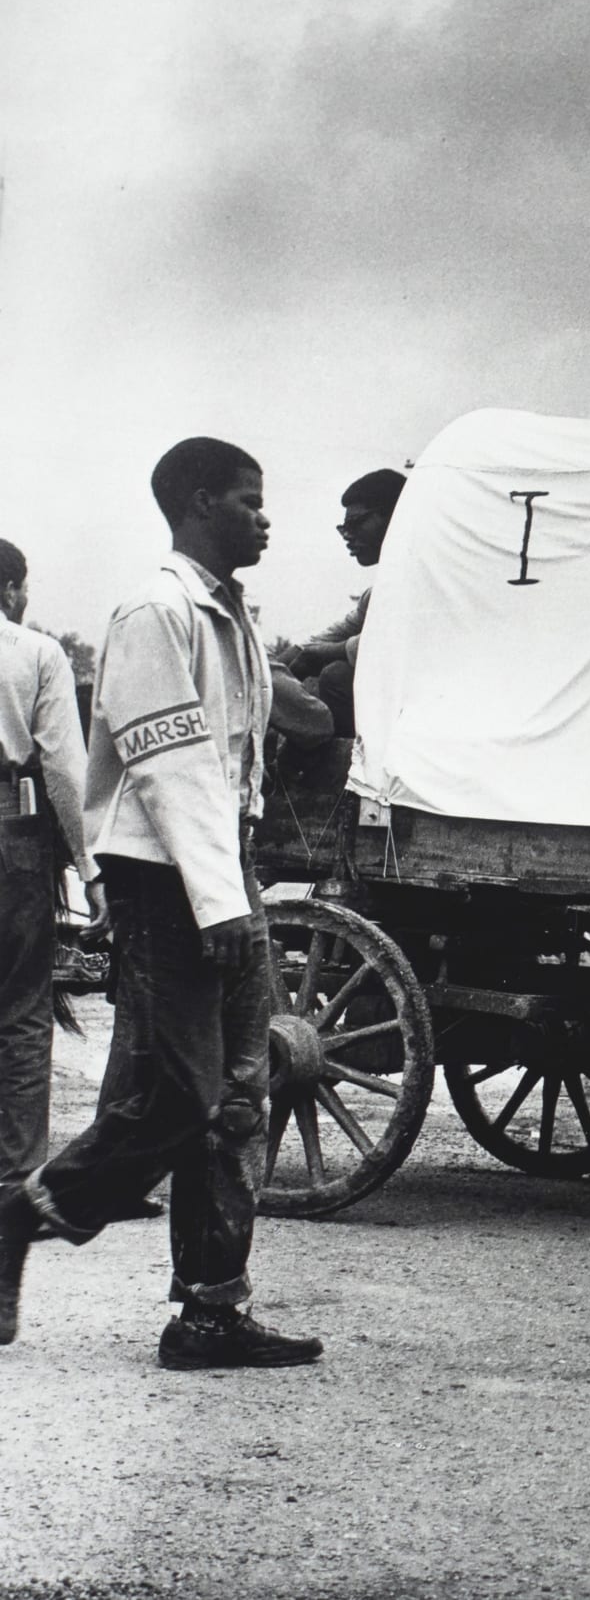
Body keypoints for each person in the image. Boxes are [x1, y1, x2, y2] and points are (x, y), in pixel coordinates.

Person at [0, 437, 323, 1368]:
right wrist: (221, 900)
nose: (265, 518)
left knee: (238, 1096)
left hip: (224, 870)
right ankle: (22, 1214)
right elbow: (170, 764)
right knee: (176, 1093)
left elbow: (235, 759)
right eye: (248, 501)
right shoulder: (155, 610)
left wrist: (236, 883)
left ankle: (211, 1311)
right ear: (196, 502)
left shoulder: (229, 616)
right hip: (168, 877)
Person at [0, 541, 107, 1197]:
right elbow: (66, 770)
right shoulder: (35, 654)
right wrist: (91, 868)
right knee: (19, 1009)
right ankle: (17, 1177)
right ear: (10, 588)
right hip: (11, 837)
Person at [278, 467, 404, 736]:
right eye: (343, 527)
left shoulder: (425, 576)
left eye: (356, 523)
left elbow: (380, 645)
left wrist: (318, 654)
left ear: (395, 517)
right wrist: (278, 670)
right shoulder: (380, 591)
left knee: (337, 676)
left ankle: (349, 762)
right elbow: (334, 633)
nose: (348, 534)